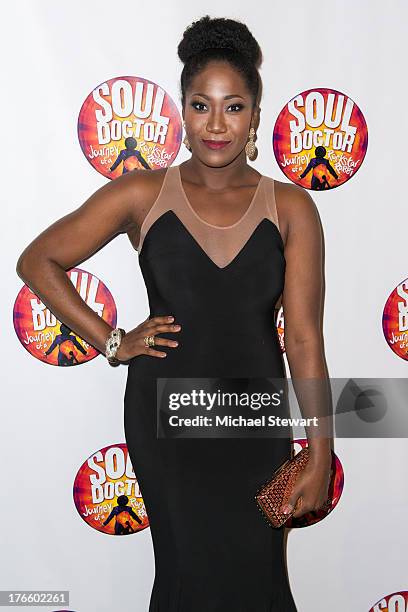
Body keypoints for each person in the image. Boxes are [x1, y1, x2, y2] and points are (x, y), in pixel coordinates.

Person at [16, 14, 333, 612]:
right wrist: (113, 341)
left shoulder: (291, 206)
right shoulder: (142, 194)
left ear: (255, 117)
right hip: (169, 420)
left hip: (255, 420)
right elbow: (39, 262)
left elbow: (307, 339)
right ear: (182, 111)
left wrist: (319, 449)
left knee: (262, 581)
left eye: (233, 107)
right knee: (184, 579)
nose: (217, 124)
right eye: (201, 105)